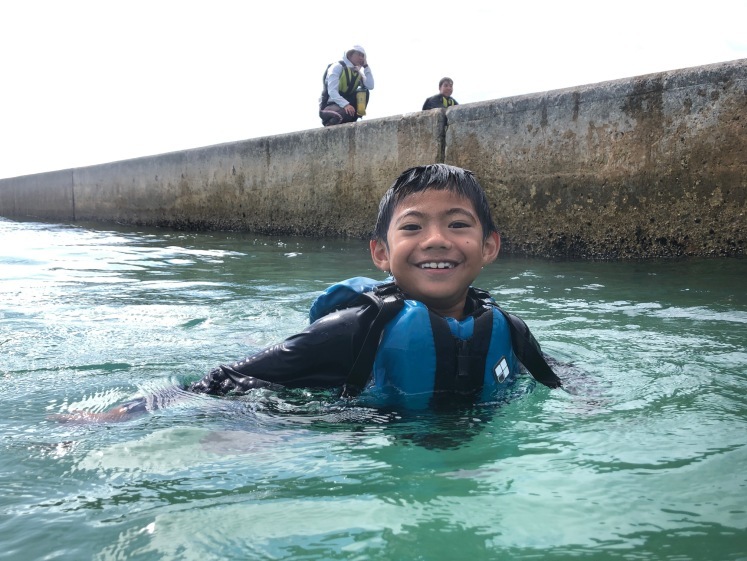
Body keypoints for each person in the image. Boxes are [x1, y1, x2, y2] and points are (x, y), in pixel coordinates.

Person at [60, 164, 562, 422]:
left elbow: (556, 377)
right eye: (412, 227)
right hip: (350, 435)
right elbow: (230, 378)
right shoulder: (352, 330)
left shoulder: (509, 330)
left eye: (458, 224)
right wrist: (127, 412)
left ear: (489, 246)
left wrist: (589, 401)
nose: (436, 240)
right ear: (381, 253)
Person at [319, 45, 375, 127]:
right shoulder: (337, 67)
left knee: (364, 91)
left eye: (363, 56)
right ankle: (329, 125)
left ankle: (354, 117)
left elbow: (370, 86)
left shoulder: (356, 72)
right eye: (358, 54)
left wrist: (366, 66)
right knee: (341, 115)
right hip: (330, 106)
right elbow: (332, 91)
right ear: (349, 55)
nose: (361, 58)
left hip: (347, 107)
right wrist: (345, 105)